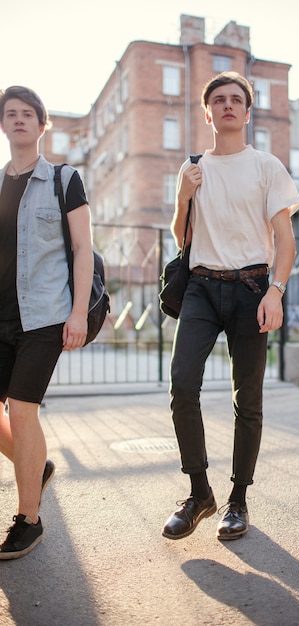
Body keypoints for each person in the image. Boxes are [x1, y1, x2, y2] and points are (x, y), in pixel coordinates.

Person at [162, 71, 299, 541]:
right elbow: (180, 235)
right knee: (182, 384)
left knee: (248, 399)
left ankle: (238, 499)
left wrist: (275, 291)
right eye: (218, 100)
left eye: (235, 99)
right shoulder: (193, 167)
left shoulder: (266, 166)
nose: (227, 105)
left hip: (251, 288)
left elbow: (285, 240)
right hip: (201, 286)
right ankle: (199, 492)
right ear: (208, 113)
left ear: (247, 110)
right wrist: (183, 195)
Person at [0, 86, 94, 559]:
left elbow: (82, 248)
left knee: (21, 409)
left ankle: (28, 520)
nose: (18, 119)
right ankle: (34, 465)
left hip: (43, 314)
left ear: (42, 124)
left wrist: (77, 312)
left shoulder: (63, 178)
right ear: (3, 125)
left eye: (27, 113)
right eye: (10, 113)